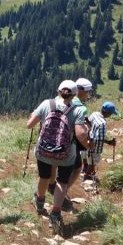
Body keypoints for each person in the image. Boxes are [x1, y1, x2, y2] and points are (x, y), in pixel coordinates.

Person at [26, 80, 89, 234]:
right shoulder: (79, 110)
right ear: (74, 95)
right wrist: (88, 144)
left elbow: (29, 125)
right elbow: (80, 134)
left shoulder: (46, 103)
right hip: (66, 153)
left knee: (44, 177)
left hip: (44, 151)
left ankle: (40, 202)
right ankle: (55, 212)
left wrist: (36, 114)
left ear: (58, 90)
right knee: (62, 181)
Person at [84, 101, 118, 180]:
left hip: (87, 141)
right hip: (95, 147)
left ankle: (85, 171)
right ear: (108, 113)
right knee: (93, 162)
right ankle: (87, 177)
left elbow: (88, 123)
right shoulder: (102, 123)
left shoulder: (94, 114)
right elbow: (99, 138)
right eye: (111, 113)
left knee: (88, 158)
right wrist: (109, 142)